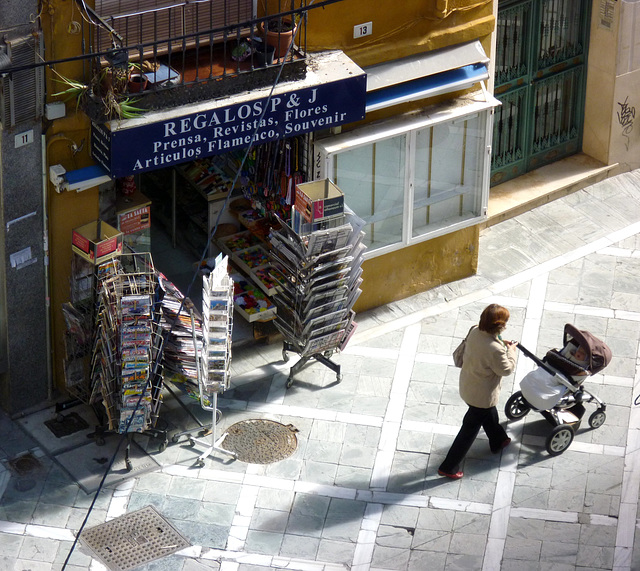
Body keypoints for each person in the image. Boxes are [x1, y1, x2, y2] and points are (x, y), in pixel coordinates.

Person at [438, 304, 518, 480]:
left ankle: (498, 440)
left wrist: (500, 342)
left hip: (468, 385)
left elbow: (484, 347)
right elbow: (506, 369)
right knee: (469, 430)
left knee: (488, 413)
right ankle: (448, 466)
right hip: (481, 395)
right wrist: (511, 352)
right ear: (498, 325)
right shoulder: (495, 349)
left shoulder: (475, 330)